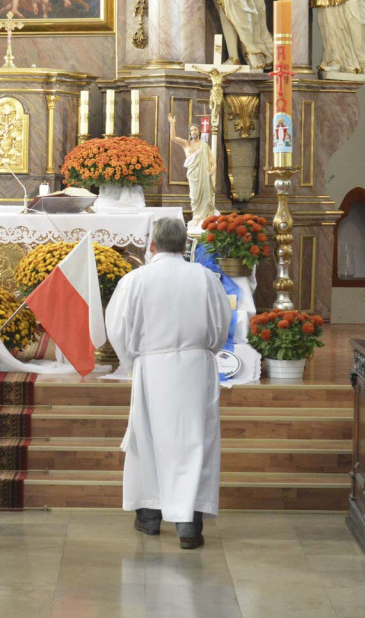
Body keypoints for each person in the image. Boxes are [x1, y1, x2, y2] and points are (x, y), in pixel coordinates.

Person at [105, 218, 232, 549]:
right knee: (195, 442)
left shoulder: (136, 280)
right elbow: (221, 327)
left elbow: (117, 329)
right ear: (184, 245)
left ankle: (149, 518)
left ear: (152, 245)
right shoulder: (205, 278)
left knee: (148, 441)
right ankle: (189, 525)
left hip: (152, 365)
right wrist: (204, 353)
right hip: (196, 368)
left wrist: (134, 361)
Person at [168, 113, 217, 234]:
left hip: (204, 175)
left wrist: (213, 169)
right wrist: (172, 124)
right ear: (189, 133)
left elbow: (212, 160)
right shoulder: (186, 144)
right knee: (194, 196)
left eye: (195, 129)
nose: (193, 132)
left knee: (205, 196)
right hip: (193, 175)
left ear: (199, 132)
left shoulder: (204, 146)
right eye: (191, 130)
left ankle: (205, 217)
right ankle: (196, 216)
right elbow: (173, 138)